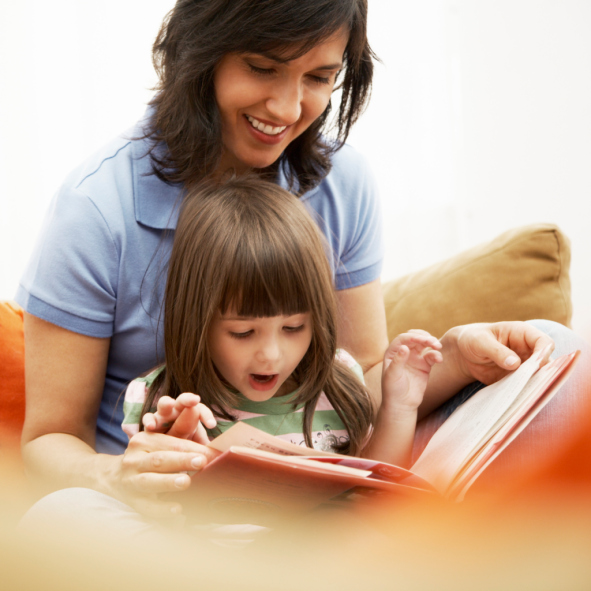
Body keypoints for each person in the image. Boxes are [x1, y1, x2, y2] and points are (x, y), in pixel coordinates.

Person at [16, 0, 587, 523]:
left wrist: (457, 357)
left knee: (549, 348)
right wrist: (117, 476)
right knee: (60, 519)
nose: (289, 109)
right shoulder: (97, 206)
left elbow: (358, 386)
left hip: (318, 504)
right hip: (163, 515)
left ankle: (437, 549)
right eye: (263, 67)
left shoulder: (344, 182)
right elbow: (48, 440)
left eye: (320, 78)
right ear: (202, 53)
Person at [122, 177, 443, 476]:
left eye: (293, 328)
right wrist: (171, 448)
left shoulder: (338, 383)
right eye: (243, 333)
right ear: (198, 323)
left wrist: (400, 407)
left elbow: (376, 489)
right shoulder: (161, 400)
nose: (271, 355)